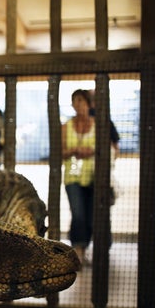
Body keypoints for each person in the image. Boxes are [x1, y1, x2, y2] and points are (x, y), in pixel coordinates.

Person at [62, 89, 119, 266]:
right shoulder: (66, 126)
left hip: (96, 177)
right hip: (73, 177)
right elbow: (59, 151)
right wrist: (74, 150)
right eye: (75, 101)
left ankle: (101, 252)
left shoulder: (100, 124)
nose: (79, 106)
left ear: (89, 104)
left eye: (82, 101)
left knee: (95, 215)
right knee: (78, 214)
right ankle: (79, 251)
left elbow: (111, 148)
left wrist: (92, 151)